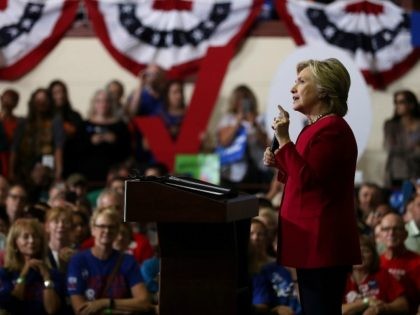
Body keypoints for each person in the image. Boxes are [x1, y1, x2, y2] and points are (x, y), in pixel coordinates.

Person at [263, 58, 361, 315]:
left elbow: (308, 181)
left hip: (322, 245)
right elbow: (302, 177)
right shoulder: (313, 128)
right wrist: (280, 162)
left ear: (324, 90)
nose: (293, 88)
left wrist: (284, 141)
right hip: (310, 244)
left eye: (302, 81)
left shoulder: (332, 129)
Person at [66, 207, 155, 314]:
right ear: (93, 229)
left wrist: (105, 303)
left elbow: (144, 302)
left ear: (117, 230)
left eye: (111, 227)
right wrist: (122, 311)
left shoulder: (127, 261)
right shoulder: (78, 261)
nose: (107, 231)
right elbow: (80, 309)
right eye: (102, 226)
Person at [0, 218, 63, 314]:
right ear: (15, 243)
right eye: (26, 237)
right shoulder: (6, 273)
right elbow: (12, 305)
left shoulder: (53, 274)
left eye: (35, 236)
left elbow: (51, 309)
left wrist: (46, 278)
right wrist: (23, 274)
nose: (32, 240)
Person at [217, 84, 272, 189]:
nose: (243, 102)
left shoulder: (261, 119)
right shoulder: (228, 119)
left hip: (258, 168)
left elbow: (268, 143)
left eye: (246, 98)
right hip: (232, 169)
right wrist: (237, 122)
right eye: (239, 99)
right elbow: (224, 141)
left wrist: (255, 125)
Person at [342, 235, 409, 315]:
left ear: (373, 255)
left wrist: (383, 308)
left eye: (365, 251)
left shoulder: (382, 275)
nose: (360, 255)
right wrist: (366, 302)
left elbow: (404, 305)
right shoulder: (340, 277)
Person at [9, 88, 65, 183]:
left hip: (47, 160)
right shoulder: (24, 122)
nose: (41, 103)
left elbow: (58, 146)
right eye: (38, 100)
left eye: (44, 100)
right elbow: (15, 147)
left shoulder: (55, 121)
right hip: (25, 163)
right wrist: (11, 170)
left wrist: (59, 170)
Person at [379, 213, 420, 314]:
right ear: (380, 235)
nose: (391, 233)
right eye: (386, 229)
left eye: (396, 229)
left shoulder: (417, 262)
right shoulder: (376, 262)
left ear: (405, 234)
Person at [48, 80, 85, 178]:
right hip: (49, 160)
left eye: (62, 92)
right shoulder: (47, 117)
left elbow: (81, 139)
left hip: (73, 161)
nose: (60, 96)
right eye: (55, 93)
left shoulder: (75, 116)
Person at [383, 90, 420, 189]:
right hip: (397, 173)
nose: (397, 106)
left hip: (417, 172)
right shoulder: (391, 125)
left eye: (401, 102)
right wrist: (414, 147)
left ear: (411, 104)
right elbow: (390, 147)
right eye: (396, 103)